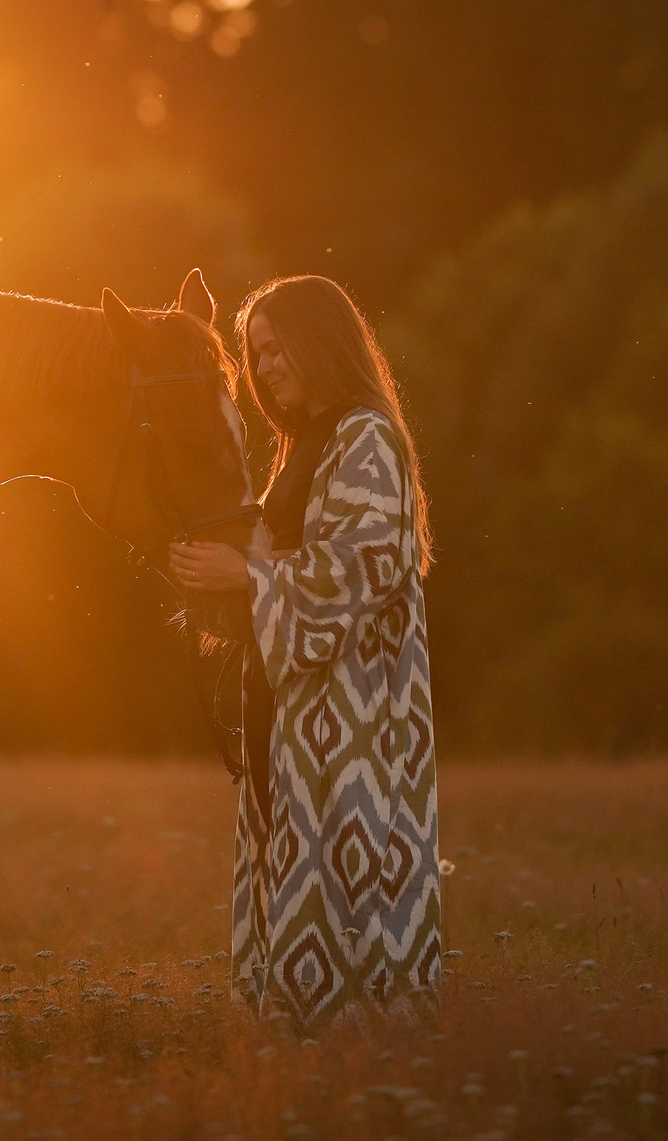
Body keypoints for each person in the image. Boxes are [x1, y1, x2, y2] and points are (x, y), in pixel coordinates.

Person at [168, 274, 442, 1026]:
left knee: (346, 877)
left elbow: (361, 568)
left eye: (278, 345)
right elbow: (278, 558)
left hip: (352, 726)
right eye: (255, 353)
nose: (266, 365)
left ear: (323, 340)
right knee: (291, 871)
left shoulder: (365, 438)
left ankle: (364, 1057)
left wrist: (245, 574)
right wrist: (214, 572)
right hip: (291, 715)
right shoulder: (301, 448)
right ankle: (290, 1054)